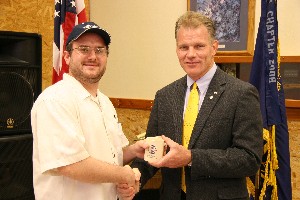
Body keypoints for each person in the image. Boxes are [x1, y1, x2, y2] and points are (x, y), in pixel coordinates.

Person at [130, 11, 263, 200]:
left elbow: (249, 159)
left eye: (199, 46)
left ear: (214, 47)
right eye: (184, 47)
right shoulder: (165, 96)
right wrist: (134, 177)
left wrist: (191, 157)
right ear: (176, 50)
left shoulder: (241, 94)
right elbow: (153, 151)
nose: (190, 54)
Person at [31, 22, 148, 200]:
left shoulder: (104, 102)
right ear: (67, 56)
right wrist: (124, 175)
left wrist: (133, 151)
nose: (93, 56)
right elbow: (70, 165)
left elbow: (109, 157)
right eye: (84, 49)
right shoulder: (55, 100)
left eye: (100, 50)